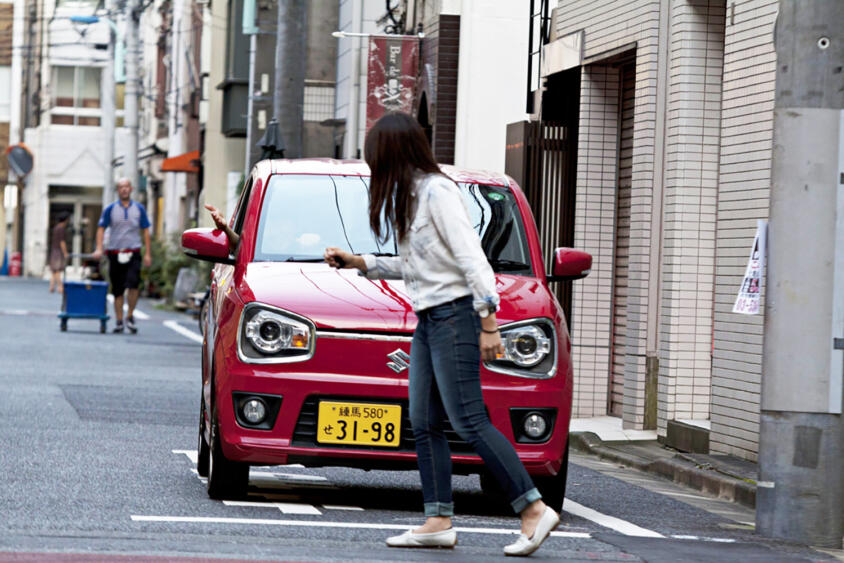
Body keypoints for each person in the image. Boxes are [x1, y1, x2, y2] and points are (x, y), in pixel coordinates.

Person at [323, 112, 560, 556]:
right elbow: (420, 267)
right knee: (423, 421)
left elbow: (473, 260)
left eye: (374, 154)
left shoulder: (437, 192)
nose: (371, 164)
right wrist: (360, 262)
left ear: (392, 151)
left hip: (456, 318)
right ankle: (437, 519)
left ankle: (532, 508)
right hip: (431, 319)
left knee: (468, 419)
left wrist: (489, 320)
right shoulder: (410, 196)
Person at [92, 178, 152, 334]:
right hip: (115, 252)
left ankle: (130, 316)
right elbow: (101, 228)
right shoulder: (110, 209)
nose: (124, 189)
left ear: (131, 189)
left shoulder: (139, 209)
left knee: (133, 284)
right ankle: (119, 320)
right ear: (117, 190)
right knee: (117, 288)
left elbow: (145, 230)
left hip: (133, 252)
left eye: (126, 186)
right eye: (120, 187)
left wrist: (148, 254)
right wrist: (99, 248)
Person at [48, 212, 70, 293]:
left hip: (54, 250)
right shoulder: (61, 229)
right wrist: (65, 252)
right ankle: (60, 287)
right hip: (58, 251)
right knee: (57, 270)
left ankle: (52, 286)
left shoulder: (56, 228)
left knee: (54, 270)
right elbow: (62, 242)